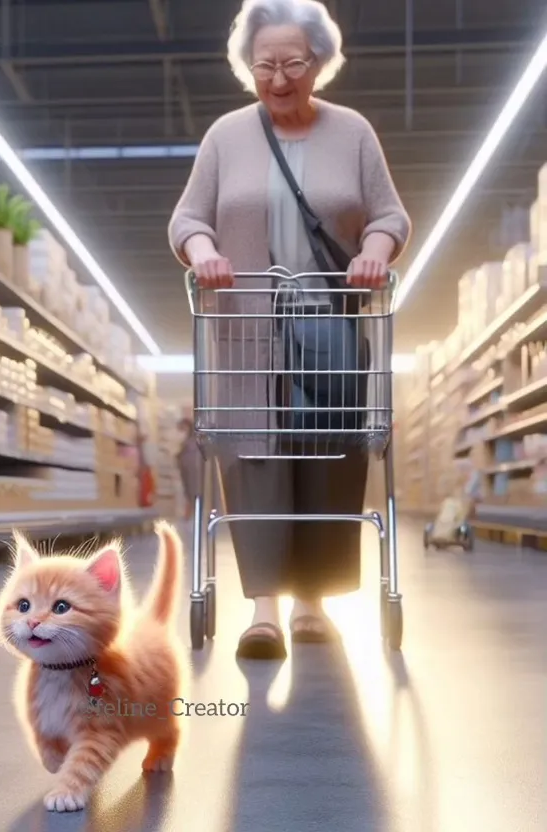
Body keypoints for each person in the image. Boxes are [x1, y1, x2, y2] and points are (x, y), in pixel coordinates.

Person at [168, 0, 411, 660]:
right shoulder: (225, 136)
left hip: (331, 326)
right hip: (248, 328)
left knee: (330, 458)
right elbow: (187, 219)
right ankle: (265, 610)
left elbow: (390, 216)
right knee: (256, 459)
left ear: (320, 63)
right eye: (264, 65)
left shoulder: (353, 132)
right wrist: (204, 255)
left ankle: (313, 603)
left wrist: (375, 253)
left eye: (292, 63)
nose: (277, 78)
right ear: (247, 65)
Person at [176, 417, 201, 520]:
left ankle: (190, 512)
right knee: (188, 492)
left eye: (181, 429)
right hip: (187, 473)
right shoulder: (187, 442)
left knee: (191, 492)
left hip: (191, 474)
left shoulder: (192, 443)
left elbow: (188, 460)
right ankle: (190, 512)